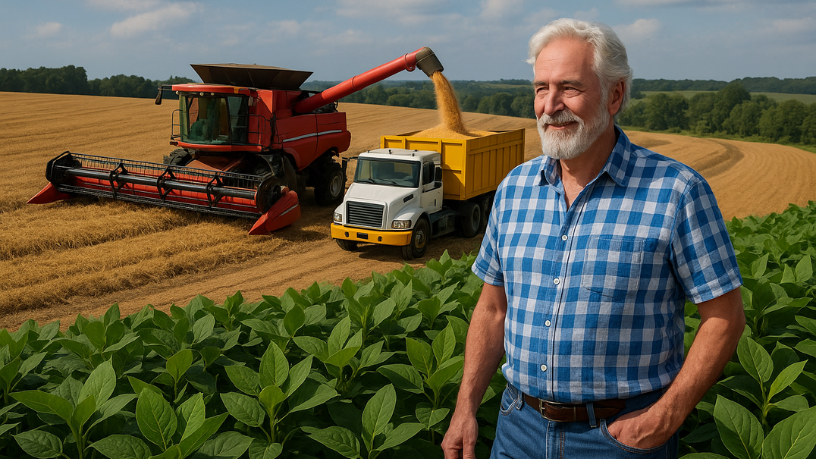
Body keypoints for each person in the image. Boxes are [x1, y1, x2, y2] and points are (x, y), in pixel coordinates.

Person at [441, 18, 745, 459]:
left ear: (615, 95)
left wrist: (664, 418)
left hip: (619, 438)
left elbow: (725, 317)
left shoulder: (676, 191)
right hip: (517, 429)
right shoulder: (514, 188)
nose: (550, 104)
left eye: (569, 87)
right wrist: (465, 407)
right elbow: (492, 309)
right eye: (541, 88)